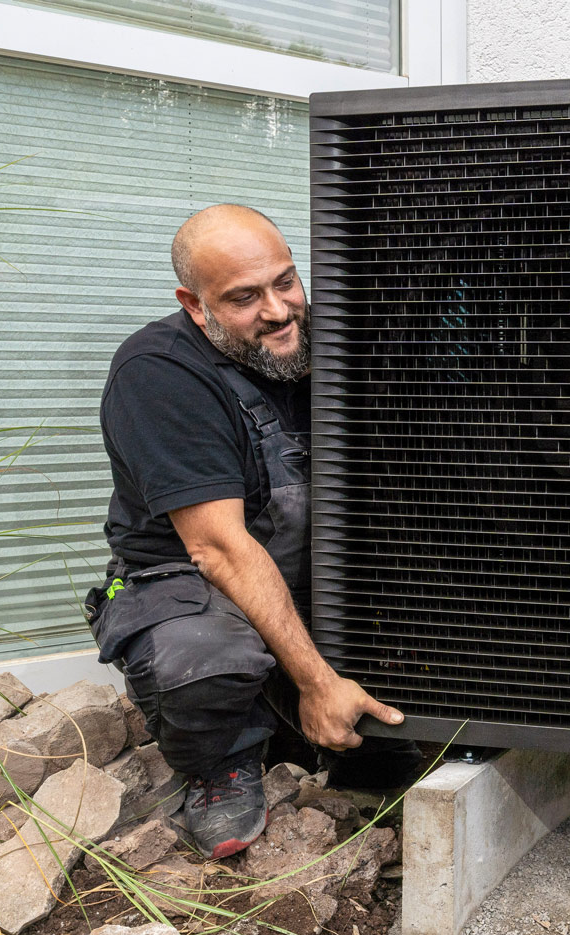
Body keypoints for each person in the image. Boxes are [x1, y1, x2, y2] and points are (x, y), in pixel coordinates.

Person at [86, 204, 418, 859]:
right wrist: (318, 683)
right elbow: (220, 548)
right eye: (244, 298)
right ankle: (222, 763)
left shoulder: (326, 342)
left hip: (303, 578)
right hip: (192, 580)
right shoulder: (158, 373)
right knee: (204, 660)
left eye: (286, 283)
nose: (277, 311)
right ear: (194, 304)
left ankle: (327, 740)